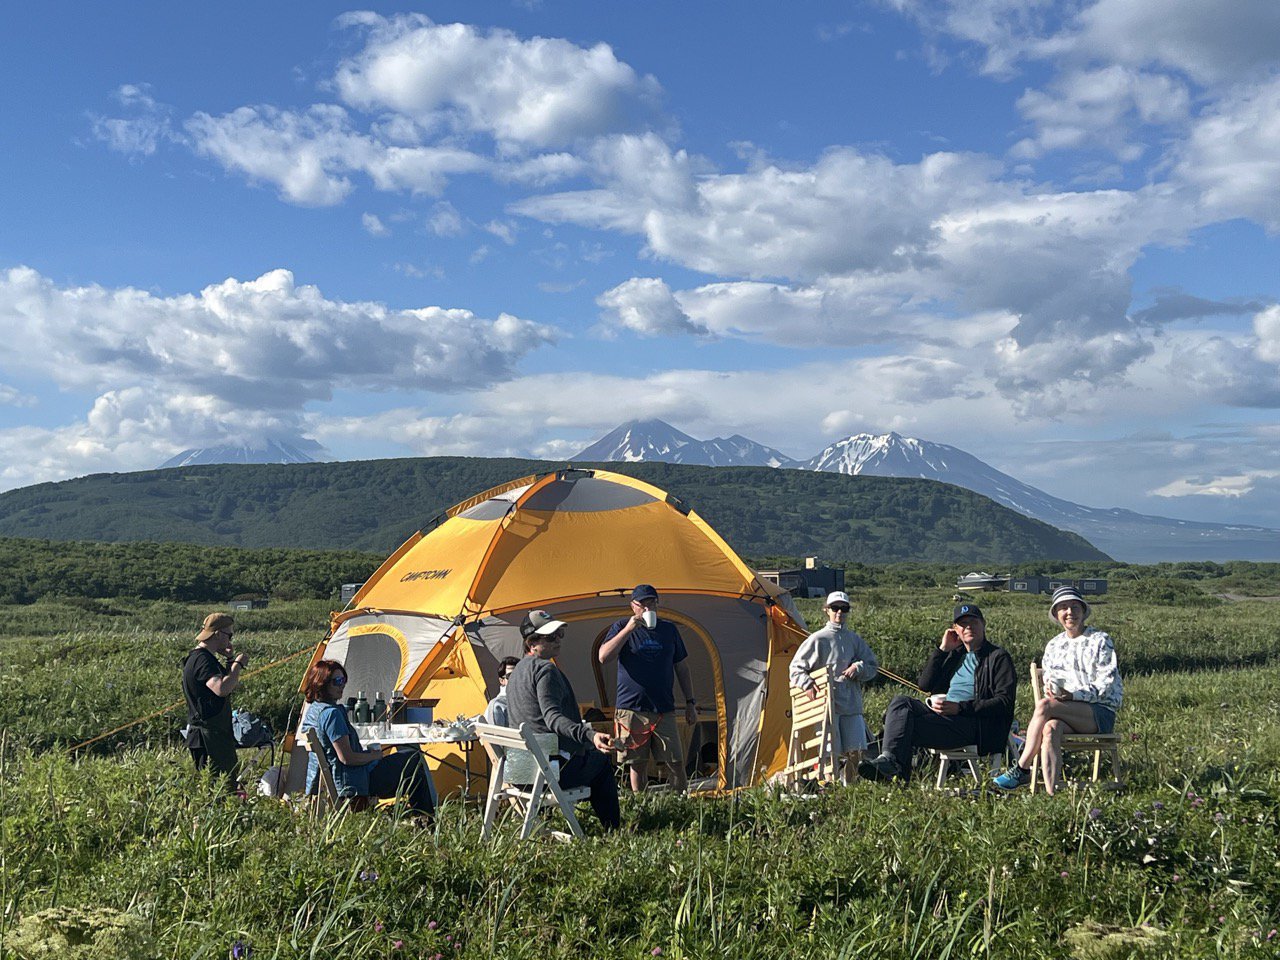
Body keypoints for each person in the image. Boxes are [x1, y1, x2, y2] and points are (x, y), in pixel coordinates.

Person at [860, 602, 1016, 784]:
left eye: (973, 622)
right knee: (901, 702)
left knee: (902, 726)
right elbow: (925, 685)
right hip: (942, 717)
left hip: (973, 724)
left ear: (983, 624)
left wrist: (960, 708)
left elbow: (1004, 702)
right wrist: (942, 650)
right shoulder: (954, 655)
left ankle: (896, 773)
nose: (968, 627)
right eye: (962, 624)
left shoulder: (997, 657)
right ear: (955, 629)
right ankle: (890, 760)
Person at [993, 586, 1123, 793]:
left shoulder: (1100, 640)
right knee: (1050, 728)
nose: (1069, 612)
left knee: (1044, 706)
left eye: (1074, 607)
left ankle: (1022, 768)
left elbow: (1105, 685)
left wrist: (1073, 695)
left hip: (1098, 713)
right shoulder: (1053, 645)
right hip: (1065, 711)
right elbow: (1051, 682)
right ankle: (1052, 792)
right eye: (1063, 608)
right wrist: (1056, 693)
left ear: (1083, 611)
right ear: (1056, 614)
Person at [505, 609, 621, 831]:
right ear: (531, 643)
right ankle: (613, 831)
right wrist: (590, 735)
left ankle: (547, 824)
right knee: (601, 763)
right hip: (549, 772)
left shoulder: (517, 671)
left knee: (589, 758)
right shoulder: (545, 670)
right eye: (550, 637)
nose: (557, 640)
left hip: (520, 772)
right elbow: (553, 719)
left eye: (559, 634)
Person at [298, 659, 436, 817]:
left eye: (343, 680)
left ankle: (410, 816)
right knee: (412, 759)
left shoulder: (313, 711)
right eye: (337, 681)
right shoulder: (332, 714)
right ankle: (426, 821)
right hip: (351, 784)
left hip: (332, 781)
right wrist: (374, 755)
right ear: (321, 683)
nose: (342, 685)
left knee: (406, 762)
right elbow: (347, 758)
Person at [598, 584, 698, 793]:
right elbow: (603, 657)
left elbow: (682, 667)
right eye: (641, 604)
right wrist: (629, 629)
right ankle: (640, 804)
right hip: (632, 708)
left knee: (676, 762)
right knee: (637, 763)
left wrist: (690, 703)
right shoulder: (621, 627)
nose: (646, 608)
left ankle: (680, 803)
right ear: (632, 606)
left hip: (663, 708)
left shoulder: (669, 629)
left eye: (651, 603)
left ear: (657, 604)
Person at [789, 590, 879, 784]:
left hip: (852, 704)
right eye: (835, 608)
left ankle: (850, 788)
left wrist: (859, 667)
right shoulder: (817, 639)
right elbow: (795, 669)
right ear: (826, 610)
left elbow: (873, 666)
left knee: (856, 750)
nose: (839, 612)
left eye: (844, 608)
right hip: (826, 706)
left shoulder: (854, 639)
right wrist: (808, 685)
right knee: (831, 751)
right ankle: (831, 787)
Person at [181, 612, 248, 786]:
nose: (230, 640)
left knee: (218, 784)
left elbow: (222, 683)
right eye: (229, 635)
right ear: (217, 634)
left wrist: (229, 660)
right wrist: (238, 665)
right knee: (220, 788)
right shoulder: (203, 660)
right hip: (209, 738)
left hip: (210, 735)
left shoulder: (198, 658)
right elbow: (221, 688)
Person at [483, 656, 521, 726]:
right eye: (511, 676)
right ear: (502, 681)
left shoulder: (530, 700)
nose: (516, 679)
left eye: (520, 675)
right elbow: (495, 735)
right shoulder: (497, 705)